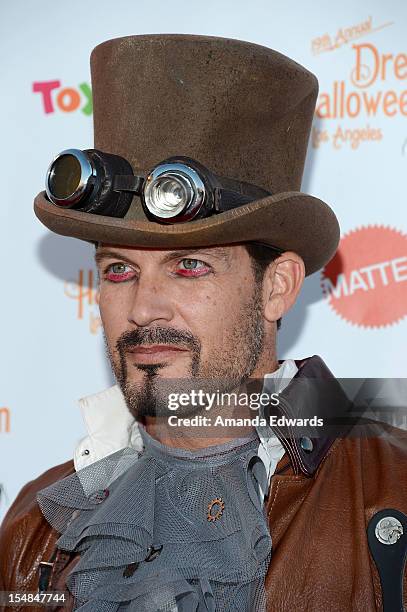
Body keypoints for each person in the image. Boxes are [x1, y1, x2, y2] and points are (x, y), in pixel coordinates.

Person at [1, 33, 406, 612]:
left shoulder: (393, 497)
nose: (143, 309)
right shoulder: (35, 527)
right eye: (118, 270)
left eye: (189, 267)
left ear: (278, 287)